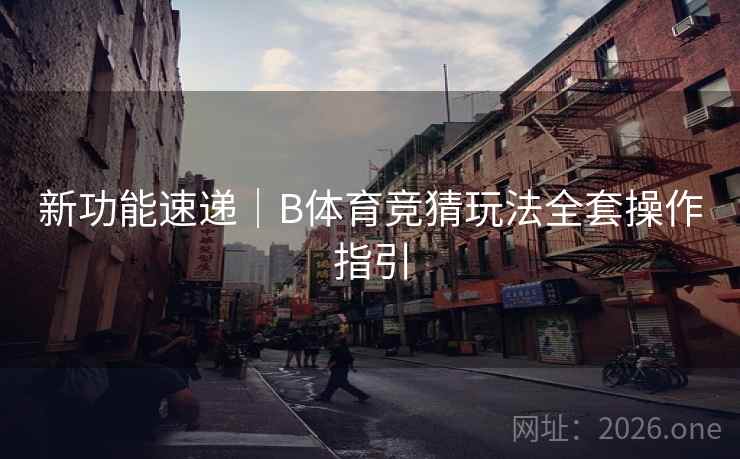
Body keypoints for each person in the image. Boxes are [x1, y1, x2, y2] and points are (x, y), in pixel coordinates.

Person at [140, 318, 197, 384]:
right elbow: (153, 354)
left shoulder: (170, 336)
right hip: (162, 369)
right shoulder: (151, 337)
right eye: (172, 327)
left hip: (177, 370)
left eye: (177, 328)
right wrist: (174, 342)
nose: (174, 330)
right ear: (163, 326)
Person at [315, 337, 369, 403]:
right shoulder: (345, 349)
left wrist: (327, 368)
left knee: (341, 385)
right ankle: (325, 397)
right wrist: (352, 368)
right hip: (343, 369)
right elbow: (350, 360)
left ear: (338, 343)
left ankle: (362, 395)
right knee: (333, 384)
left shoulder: (338, 349)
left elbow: (335, 360)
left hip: (338, 369)